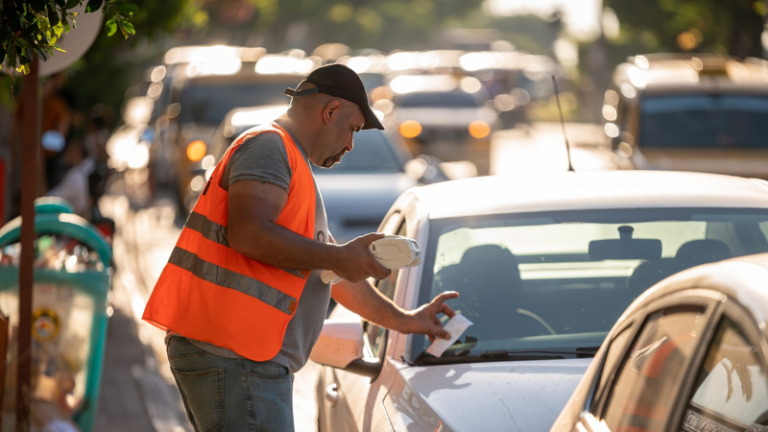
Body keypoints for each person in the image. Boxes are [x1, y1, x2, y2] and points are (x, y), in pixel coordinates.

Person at [142, 64, 458, 432]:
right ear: (331, 111)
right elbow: (249, 234)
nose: (350, 144)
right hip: (236, 355)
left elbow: (331, 274)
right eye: (352, 129)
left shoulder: (289, 160)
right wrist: (338, 256)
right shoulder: (269, 145)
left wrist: (406, 320)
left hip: (242, 357)